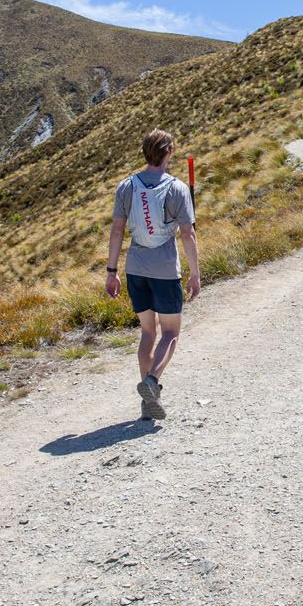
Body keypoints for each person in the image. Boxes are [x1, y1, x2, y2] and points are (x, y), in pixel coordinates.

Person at [105, 129, 200, 420]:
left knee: (148, 333)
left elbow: (117, 230)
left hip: (135, 268)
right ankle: (152, 382)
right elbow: (187, 234)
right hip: (165, 269)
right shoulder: (177, 188)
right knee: (170, 333)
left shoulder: (126, 187)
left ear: (146, 152)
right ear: (168, 152)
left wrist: (112, 271)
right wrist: (195, 274)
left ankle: (147, 405)